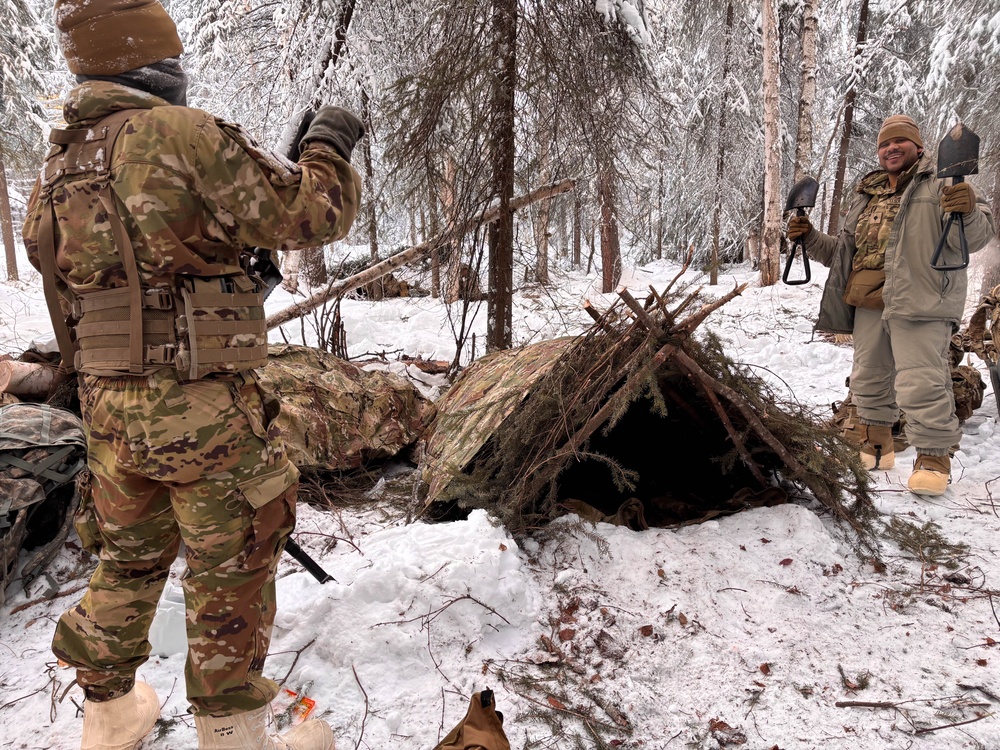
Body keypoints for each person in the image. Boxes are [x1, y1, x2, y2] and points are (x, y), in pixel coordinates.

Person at [21, 1, 364, 748]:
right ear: (154, 62)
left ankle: (109, 715)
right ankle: (234, 728)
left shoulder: (56, 167)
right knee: (232, 557)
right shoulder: (183, 136)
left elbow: (89, 283)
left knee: (130, 555)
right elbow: (310, 213)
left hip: (112, 411)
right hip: (201, 409)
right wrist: (328, 143)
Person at [787, 114, 995, 496]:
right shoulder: (866, 193)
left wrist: (966, 211)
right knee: (868, 378)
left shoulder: (944, 181)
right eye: (884, 144)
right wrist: (811, 238)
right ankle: (876, 445)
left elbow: (977, 237)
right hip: (868, 299)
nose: (891, 148)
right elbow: (843, 254)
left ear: (918, 146)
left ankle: (933, 457)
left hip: (921, 298)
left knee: (922, 381)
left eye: (900, 142)